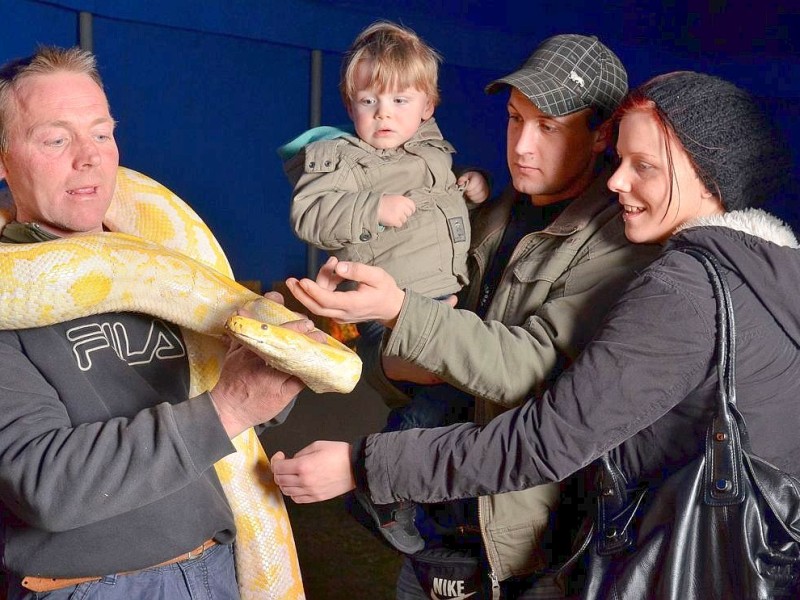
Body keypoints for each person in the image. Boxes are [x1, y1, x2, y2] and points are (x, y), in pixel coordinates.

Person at [273, 71, 797, 597]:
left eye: (645, 167)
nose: (617, 183)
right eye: (622, 161)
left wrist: (364, 465)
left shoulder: (682, 288)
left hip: (659, 563)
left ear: (713, 179)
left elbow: (547, 438)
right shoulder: (762, 272)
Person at [279, 34, 662, 598]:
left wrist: (400, 311)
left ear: (602, 133)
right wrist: (384, 352)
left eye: (549, 128)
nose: (522, 146)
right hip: (435, 525)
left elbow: (532, 376)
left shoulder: (617, 246)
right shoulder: (482, 215)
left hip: (529, 553)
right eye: (514, 119)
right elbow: (408, 365)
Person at [0, 46, 311, 600]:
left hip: (218, 570)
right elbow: (46, 487)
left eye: (101, 133)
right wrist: (232, 406)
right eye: (55, 138)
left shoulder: (163, 274)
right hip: (90, 590)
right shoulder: (9, 300)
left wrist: (278, 371)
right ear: (3, 161)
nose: (89, 157)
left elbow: (233, 418)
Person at [283, 20, 490, 554]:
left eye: (400, 100)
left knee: (460, 405)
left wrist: (468, 186)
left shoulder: (431, 153)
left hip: (444, 304)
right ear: (350, 106)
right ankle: (381, 484)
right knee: (443, 392)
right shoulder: (342, 159)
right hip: (385, 313)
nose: (383, 114)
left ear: (427, 107)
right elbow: (312, 215)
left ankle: (437, 509)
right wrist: (371, 208)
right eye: (368, 100)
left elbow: (435, 209)